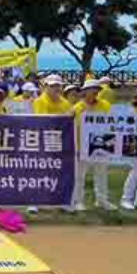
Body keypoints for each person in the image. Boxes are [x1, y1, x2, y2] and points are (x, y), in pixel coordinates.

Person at [28, 74, 73, 214]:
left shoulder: (65, 103)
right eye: (52, 86)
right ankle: (33, 202)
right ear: (46, 87)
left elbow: (67, 121)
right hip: (41, 141)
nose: (55, 88)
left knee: (59, 172)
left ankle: (60, 200)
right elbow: (43, 121)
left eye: (57, 86)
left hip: (59, 141)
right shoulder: (39, 101)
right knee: (38, 172)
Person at [71, 79, 115, 212]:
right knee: (79, 176)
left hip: (102, 146)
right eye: (92, 89)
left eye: (97, 89)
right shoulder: (77, 108)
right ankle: (78, 201)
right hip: (81, 147)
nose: (95, 92)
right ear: (85, 92)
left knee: (101, 174)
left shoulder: (105, 105)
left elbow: (111, 123)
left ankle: (102, 200)